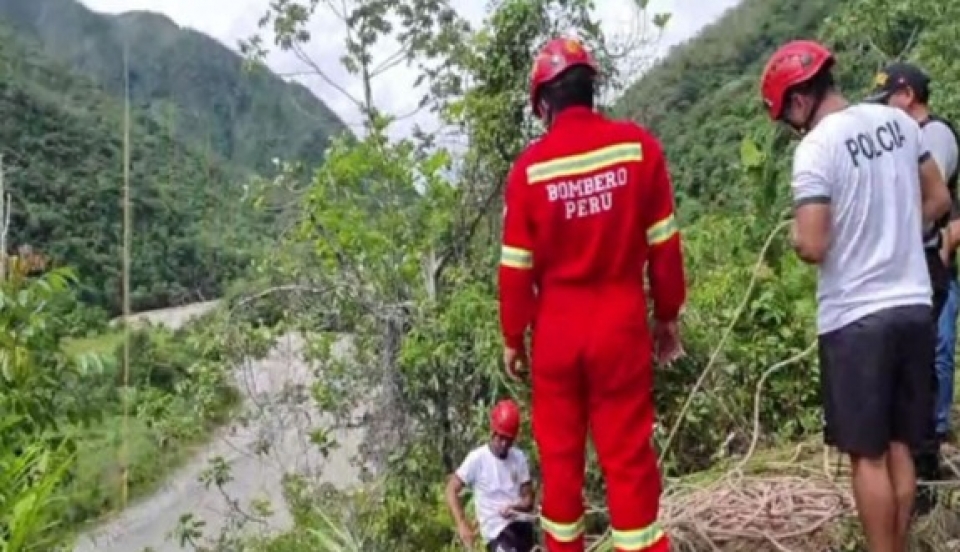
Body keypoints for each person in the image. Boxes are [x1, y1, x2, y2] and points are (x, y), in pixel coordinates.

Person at [759, 40, 951, 552]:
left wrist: (798, 236)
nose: (791, 127)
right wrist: (898, 229)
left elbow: (814, 244)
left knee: (867, 456)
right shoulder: (900, 124)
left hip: (856, 321)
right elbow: (938, 198)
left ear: (799, 101)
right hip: (914, 305)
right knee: (901, 446)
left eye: (787, 116)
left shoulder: (816, 148)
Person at [497, 36, 685, 552]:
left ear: (543, 104)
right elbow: (665, 248)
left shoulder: (529, 171)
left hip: (557, 338)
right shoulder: (638, 149)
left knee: (560, 467)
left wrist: (513, 338)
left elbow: (515, 273)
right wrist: (667, 316)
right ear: (592, 89)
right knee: (628, 462)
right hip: (621, 330)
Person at [866, 62, 960, 512]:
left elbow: (930, 197)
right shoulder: (906, 136)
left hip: (927, 263)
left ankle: (926, 460)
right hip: (912, 264)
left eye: (888, 98)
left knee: (928, 362)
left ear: (907, 94)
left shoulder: (932, 135)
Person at [445, 399, 537, 552]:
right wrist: (462, 524)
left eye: (509, 440)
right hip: (496, 532)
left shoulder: (518, 457)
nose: (504, 444)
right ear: (493, 432)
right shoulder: (477, 459)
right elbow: (451, 490)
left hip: (521, 527)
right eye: (501, 437)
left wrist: (515, 507)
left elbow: (528, 500)